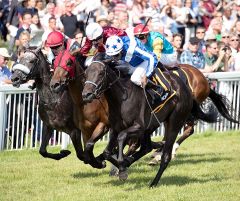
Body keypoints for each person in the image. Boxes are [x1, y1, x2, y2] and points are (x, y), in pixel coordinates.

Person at [105, 35, 173, 103]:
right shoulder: (113, 47)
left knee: (135, 79)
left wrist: (146, 75)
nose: (113, 57)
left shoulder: (133, 48)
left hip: (144, 61)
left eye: (116, 55)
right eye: (112, 55)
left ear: (121, 49)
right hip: (131, 62)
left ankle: (157, 89)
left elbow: (152, 57)